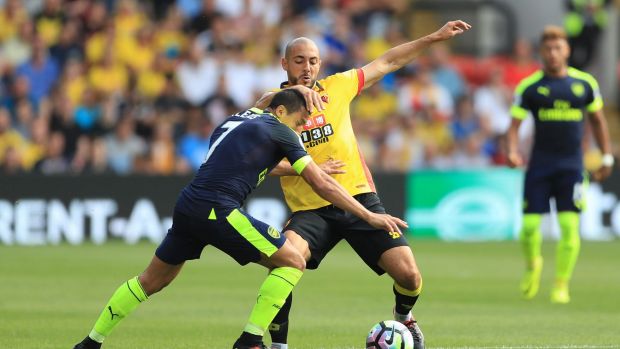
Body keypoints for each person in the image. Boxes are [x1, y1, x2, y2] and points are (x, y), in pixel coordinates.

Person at [72, 89, 407, 349]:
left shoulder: (234, 120)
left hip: (189, 203)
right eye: (302, 119)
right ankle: (250, 340)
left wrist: (287, 96)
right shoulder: (281, 131)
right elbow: (320, 183)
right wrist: (368, 216)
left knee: (151, 280)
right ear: (280, 112)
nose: (304, 127)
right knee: (292, 261)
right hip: (218, 208)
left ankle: (91, 341)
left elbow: (260, 115)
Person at [255, 20, 471, 349]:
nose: (307, 67)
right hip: (311, 210)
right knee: (285, 261)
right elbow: (259, 164)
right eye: (299, 60)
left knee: (410, 275)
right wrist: (307, 169)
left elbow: (388, 61)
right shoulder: (273, 109)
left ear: (320, 65)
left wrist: (434, 36)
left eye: (313, 60)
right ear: (285, 64)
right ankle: (278, 345)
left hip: (359, 198)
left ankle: (403, 320)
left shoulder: (337, 88)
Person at [506, 26, 613, 304]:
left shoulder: (584, 84)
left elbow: (598, 121)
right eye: (548, 49)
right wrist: (512, 151)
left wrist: (606, 156)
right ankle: (533, 265)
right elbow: (514, 126)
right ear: (542, 52)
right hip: (539, 165)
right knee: (529, 227)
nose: (553, 53)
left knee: (568, 225)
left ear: (566, 50)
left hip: (572, 166)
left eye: (558, 48)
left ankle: (561, 285)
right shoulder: (529, 88)